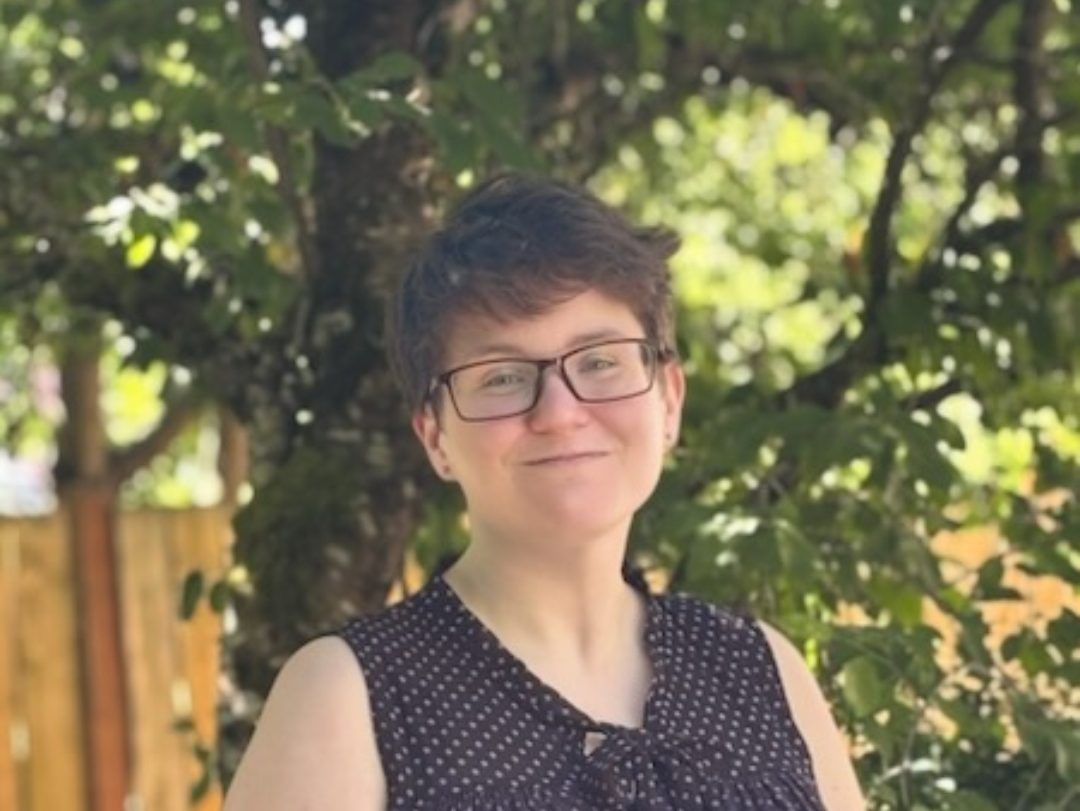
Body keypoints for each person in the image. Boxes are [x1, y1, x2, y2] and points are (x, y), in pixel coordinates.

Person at [224, 174, 866, 810]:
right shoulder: (349, 695)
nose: (559, 412)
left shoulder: (760, 672)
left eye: (600, 361)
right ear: (435, 436)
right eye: (502, 377)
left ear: (668, 400)